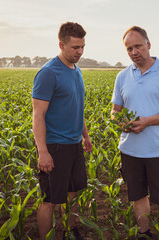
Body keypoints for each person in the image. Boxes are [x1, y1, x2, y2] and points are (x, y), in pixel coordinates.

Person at [111, 26, 159, 240]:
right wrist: (122, 123)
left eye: (137, 46)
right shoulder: (122, 76)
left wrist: (147, 121)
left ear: (148, 44)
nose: (134, 52)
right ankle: (144, 234)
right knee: (138, 197)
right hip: (130, 149)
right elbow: (114, 111)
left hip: (158, 150)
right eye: (129, 48)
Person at [32, 22, 92, 240]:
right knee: (50, 199)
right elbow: (38, 115)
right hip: (55, 146)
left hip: (74, 144)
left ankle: (71, 231)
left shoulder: (76, 71)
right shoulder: (48, 73)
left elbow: (77, 106)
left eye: (82, 46)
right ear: (61, 44)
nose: (80, 52)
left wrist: (84, 136)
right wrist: (43, 152)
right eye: (75, 47)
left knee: (72, 193)